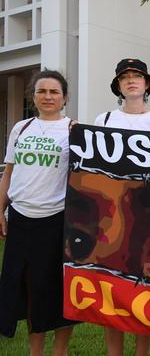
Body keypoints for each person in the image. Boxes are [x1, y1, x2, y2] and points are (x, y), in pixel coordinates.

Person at [95, 58, 150, 356]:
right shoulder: (102, 121)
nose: (131, 80)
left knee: (145, 289)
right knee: (110, 290)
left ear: (147, 83)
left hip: (148, 219)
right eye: (125, 77)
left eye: (137, 76)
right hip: (111, 218)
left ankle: (142, 352)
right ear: (117, 85)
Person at [0, 70, 76, 356]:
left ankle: (60, 350)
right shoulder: (21, 128)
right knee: (28, 288)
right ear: (33, 97)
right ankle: (36, 351)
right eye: (41, 91)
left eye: (54, 92)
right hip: (21, 219)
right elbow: (8, 173)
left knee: (57, 289)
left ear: (65, 97)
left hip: (57, 220)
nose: (47, 96)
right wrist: (0, 211)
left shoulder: (73, 129)